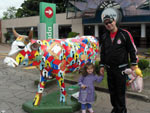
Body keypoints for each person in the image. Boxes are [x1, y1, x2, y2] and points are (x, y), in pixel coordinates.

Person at [99, 15, 138, 113]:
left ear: (114, 21)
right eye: (106, 23)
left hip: (121, 70)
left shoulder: (124, 34)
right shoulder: (104, 36)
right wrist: (102, 65)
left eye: (110, 22)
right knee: (112, 92)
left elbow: (132, 50)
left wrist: (133, 64)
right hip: (109, 69)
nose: (108, 24)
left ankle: (121, 110)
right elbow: (102, 52)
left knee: (120, 92)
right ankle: (115, 109)